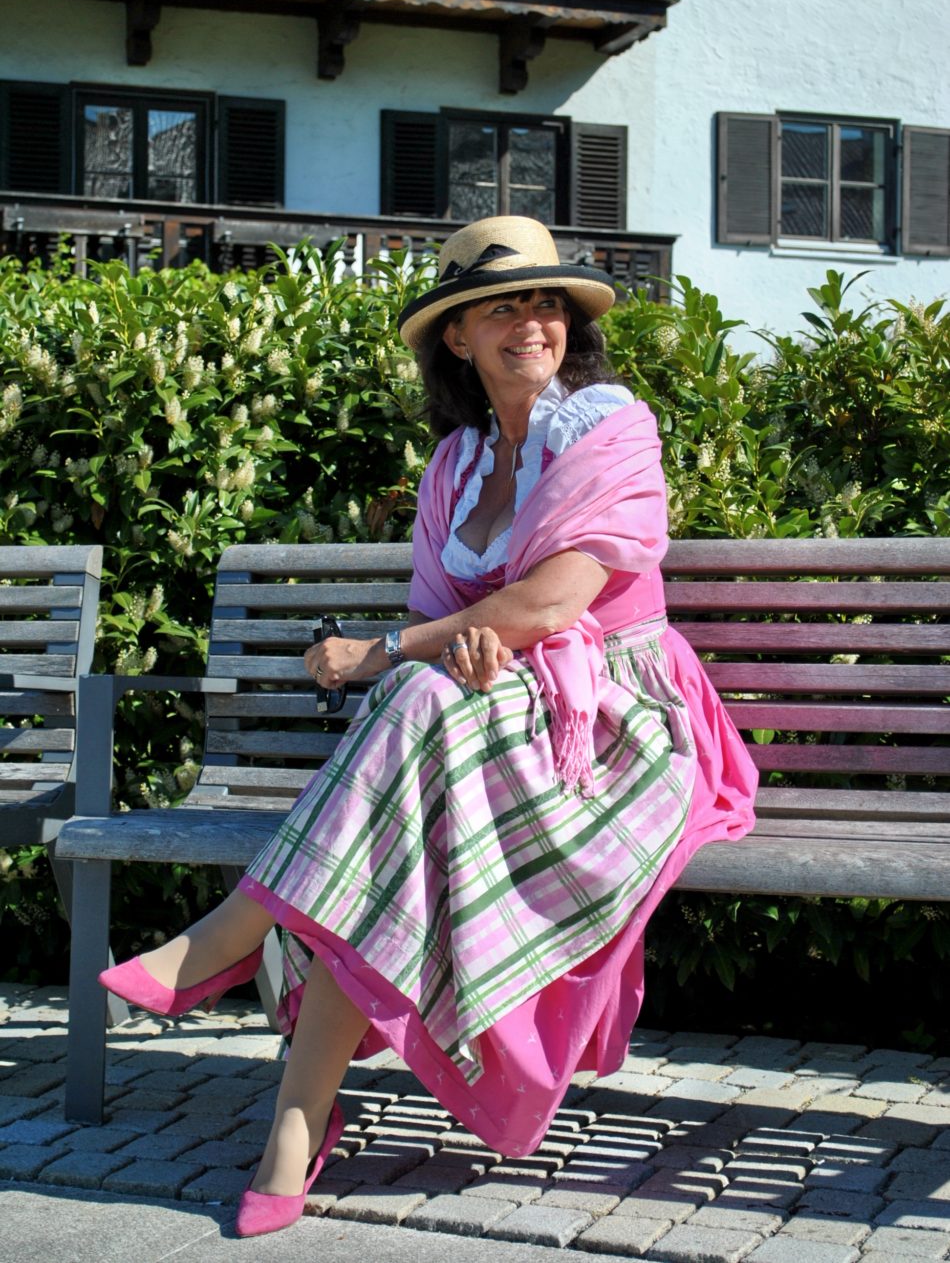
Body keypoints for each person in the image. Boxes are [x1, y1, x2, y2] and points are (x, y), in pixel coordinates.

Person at [100, 215, 757, 1238]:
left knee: (403, 708)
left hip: (614, 728)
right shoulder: (455, 465)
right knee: (399, 797)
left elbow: (551, 603)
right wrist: (462, 652)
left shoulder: (611, 429)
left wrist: (390, 650)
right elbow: (456, 623)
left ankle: (242, 951)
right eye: (500, 307)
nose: (529, 323)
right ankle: (291, 1118)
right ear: (457, 336)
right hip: (490, 719)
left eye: (545, 303)